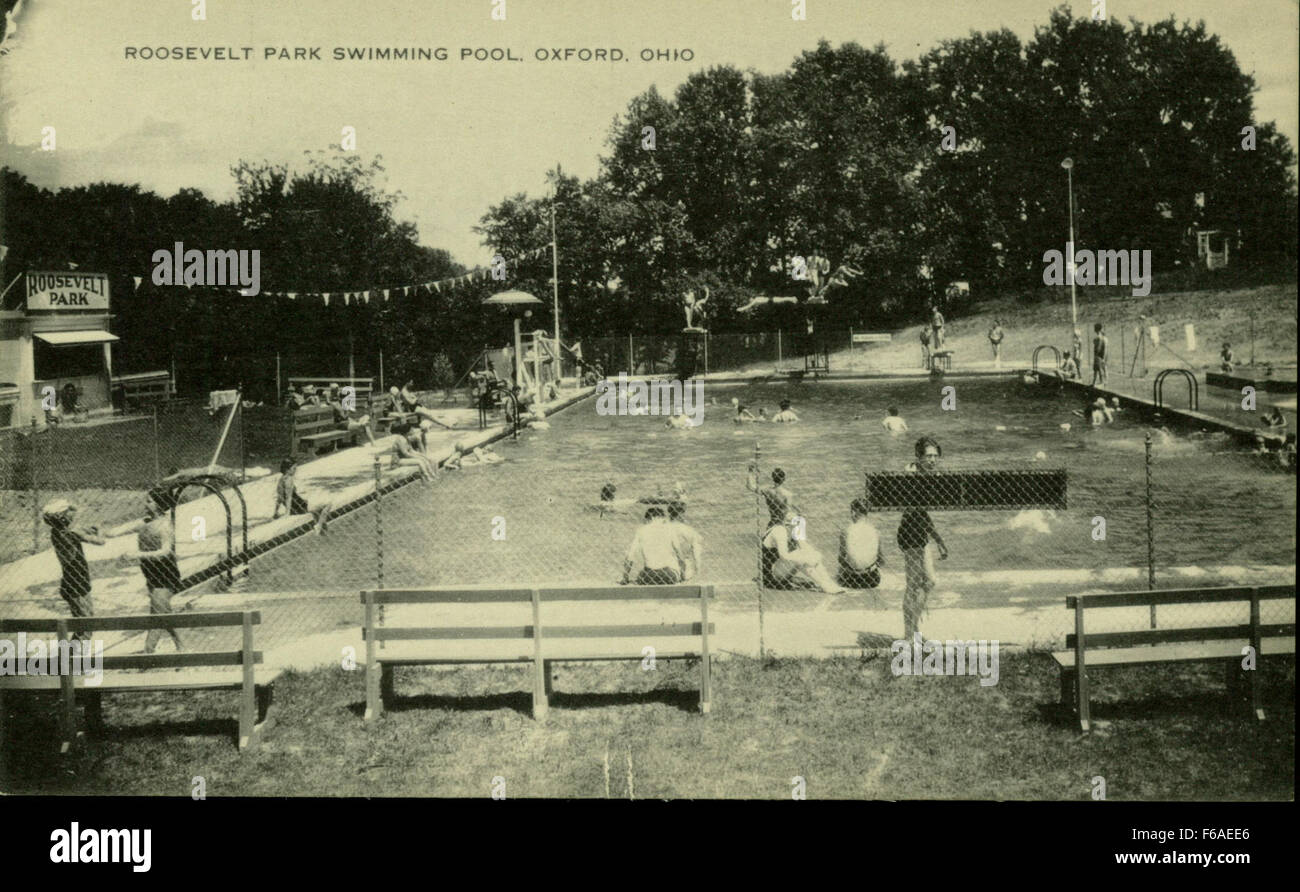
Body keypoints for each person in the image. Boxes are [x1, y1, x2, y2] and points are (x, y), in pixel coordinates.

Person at [111, 489, 184, 653]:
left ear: (159, 504)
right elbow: (114, 532)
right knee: (162, 612)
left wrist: (137, 555)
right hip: (150, 573)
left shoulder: (165, 525)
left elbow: (165, 552)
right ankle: (178, 647)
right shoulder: (145, 522)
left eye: (149, 501)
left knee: (158, 614)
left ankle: (150, 651)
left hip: (165, 573)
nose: (146, 504)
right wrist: (97, 531)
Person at [898, 437, 949, 640]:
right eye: (928, 456)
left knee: (929, 581)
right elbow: (914, 511)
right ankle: (909, 634)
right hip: (910, 532)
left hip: (919, 530)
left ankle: (913, 628)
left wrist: (938, 539)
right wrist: (937, 538)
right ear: (918, 457)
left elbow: (923, 514)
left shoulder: (929, 476)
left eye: (936, 456)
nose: (933, 460)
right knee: (913, 585)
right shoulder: (911, 473)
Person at [43, 500, 104, 627]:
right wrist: (99, 530)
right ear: (62, 517)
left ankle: (72, 647)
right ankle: (72, 647)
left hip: (70, 581)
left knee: (81, 625)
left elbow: (76, 529)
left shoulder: (56, 532)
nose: (72, 514)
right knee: (86, 626)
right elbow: (100, 541)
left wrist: (86, 529)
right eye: (68, 512)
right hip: (78, 582)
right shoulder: (72, 532)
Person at [760, 510, 844, 593]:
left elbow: (806, 548)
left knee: (809, 555)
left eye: (794, 520)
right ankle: (824, 585)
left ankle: (829, 583)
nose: (790, 522)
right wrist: (803, 558)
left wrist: (815, 555)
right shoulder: (779, 531)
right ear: (783, 520)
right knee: (800, 556)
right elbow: (784, 555)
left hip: (782, 569)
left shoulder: (794, 530)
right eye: (788, 520)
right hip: (771, 575)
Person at [621, 507, 684, 585]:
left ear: (650, 518)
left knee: (641, 575)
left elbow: (630, 556)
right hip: (669, 573)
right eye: (663, 519)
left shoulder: (641, 531)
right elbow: (680, 556)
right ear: (657, 517)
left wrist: (625, 577)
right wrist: (683, 575)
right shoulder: (669, 529)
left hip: (648, 574)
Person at [273, 458, 333, 533]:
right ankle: (318, 526)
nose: (295, 471)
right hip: (301, 507)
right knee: (328, 504)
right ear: (287, 469)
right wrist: (287, 513)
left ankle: (321, 528)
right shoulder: (289, 480)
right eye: (294, 468)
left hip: (296, 507)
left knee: (315, 507)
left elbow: (280, 498)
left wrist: (275, 513)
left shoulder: (281, 480)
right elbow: (289, 497)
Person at [838, 497, 883, 589]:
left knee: (840, 570)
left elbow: (841, 559)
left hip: (850, 580)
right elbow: (881, 560)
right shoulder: (876, 531)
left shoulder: (846, 531)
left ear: (853, 512)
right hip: (872, 580)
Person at [666, 501, 703, 581]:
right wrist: (698, 571)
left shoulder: (663, 529)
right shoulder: (689, 530)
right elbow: (697, 554)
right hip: (685, 570)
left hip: (664, 567)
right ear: (681, 513)